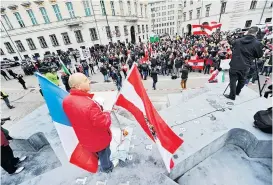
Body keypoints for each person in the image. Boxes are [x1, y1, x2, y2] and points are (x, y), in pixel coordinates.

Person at [63, 73, 118, 173]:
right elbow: (104, 123)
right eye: (85, 80)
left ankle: (98, 161)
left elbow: (81, 115)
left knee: (97, 152)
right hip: (100, 139)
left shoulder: (66, 100)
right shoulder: (89, 105)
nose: (88, 81)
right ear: (78, 86)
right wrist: (106, 111)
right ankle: (107, 168)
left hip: (85, 138)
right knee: (105, 154)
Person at [224, 27, 263, 100]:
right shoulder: (257, 43)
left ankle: (232, 96)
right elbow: (259, 55)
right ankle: (237, 92)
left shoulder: (238, 40)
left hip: (234, 64)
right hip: (246, 65)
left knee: (233, 80)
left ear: (248, 32)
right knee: (242, 80)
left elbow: (232, 44)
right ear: (256, 33)